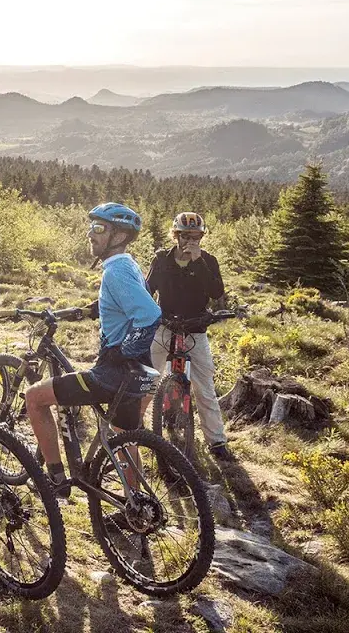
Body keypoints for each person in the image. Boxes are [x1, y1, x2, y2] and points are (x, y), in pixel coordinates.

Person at [22, 203, 161, 495]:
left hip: (112, 374)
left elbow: (149, 314)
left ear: (119, 236)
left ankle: (56, 481)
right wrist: (86, 311)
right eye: (91, 227)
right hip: (135, 377)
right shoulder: (127, 264)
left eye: (99, 229)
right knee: (125, 440)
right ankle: (133, 506)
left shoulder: (115, 271)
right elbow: (126, 303)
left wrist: (123, 352)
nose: (90, 234)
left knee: (34, 397)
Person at [146, 212, 232, 461]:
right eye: (184, 236)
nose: (190, 241)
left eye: (195, 236)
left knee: (204, 387)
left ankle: (216, 442)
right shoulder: (162, 259)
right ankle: (135, 431)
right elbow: (148, 290)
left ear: (202, 237)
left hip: (195, 328)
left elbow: (216, 292)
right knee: (147, 379)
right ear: (176, 235)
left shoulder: (208, 261)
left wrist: (198, 263)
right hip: (164, 326)